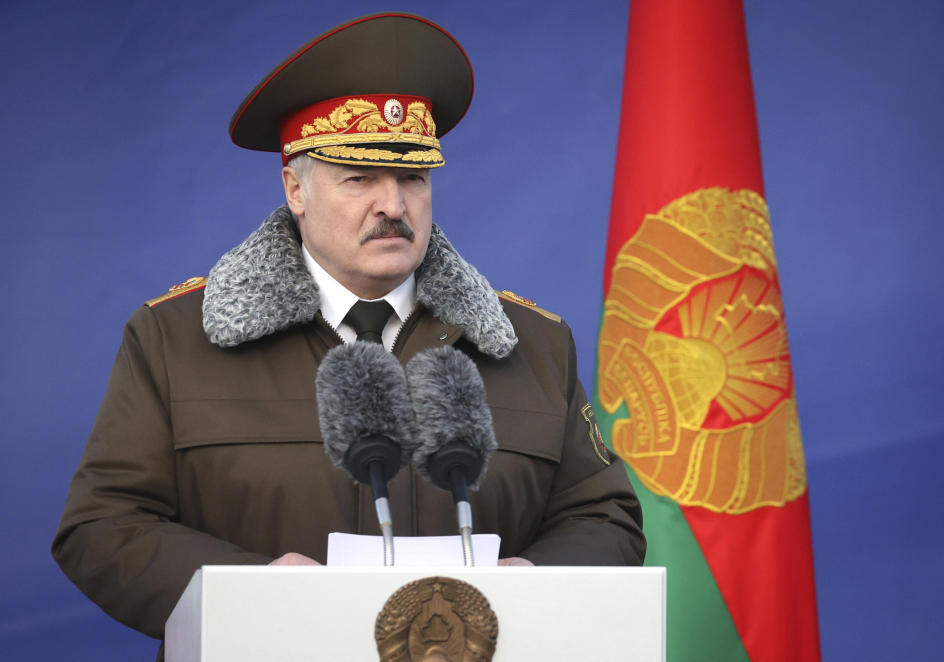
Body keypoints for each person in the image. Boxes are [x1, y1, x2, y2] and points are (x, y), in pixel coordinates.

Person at [52, 12, 645, 650]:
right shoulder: (174, 339)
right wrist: (248, 588)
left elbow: (605, 517)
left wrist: (532, 583)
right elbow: (102, 525)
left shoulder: (533, 344)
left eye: (412, 177)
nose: (393, 205)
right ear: (296, 189)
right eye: (359, 178)